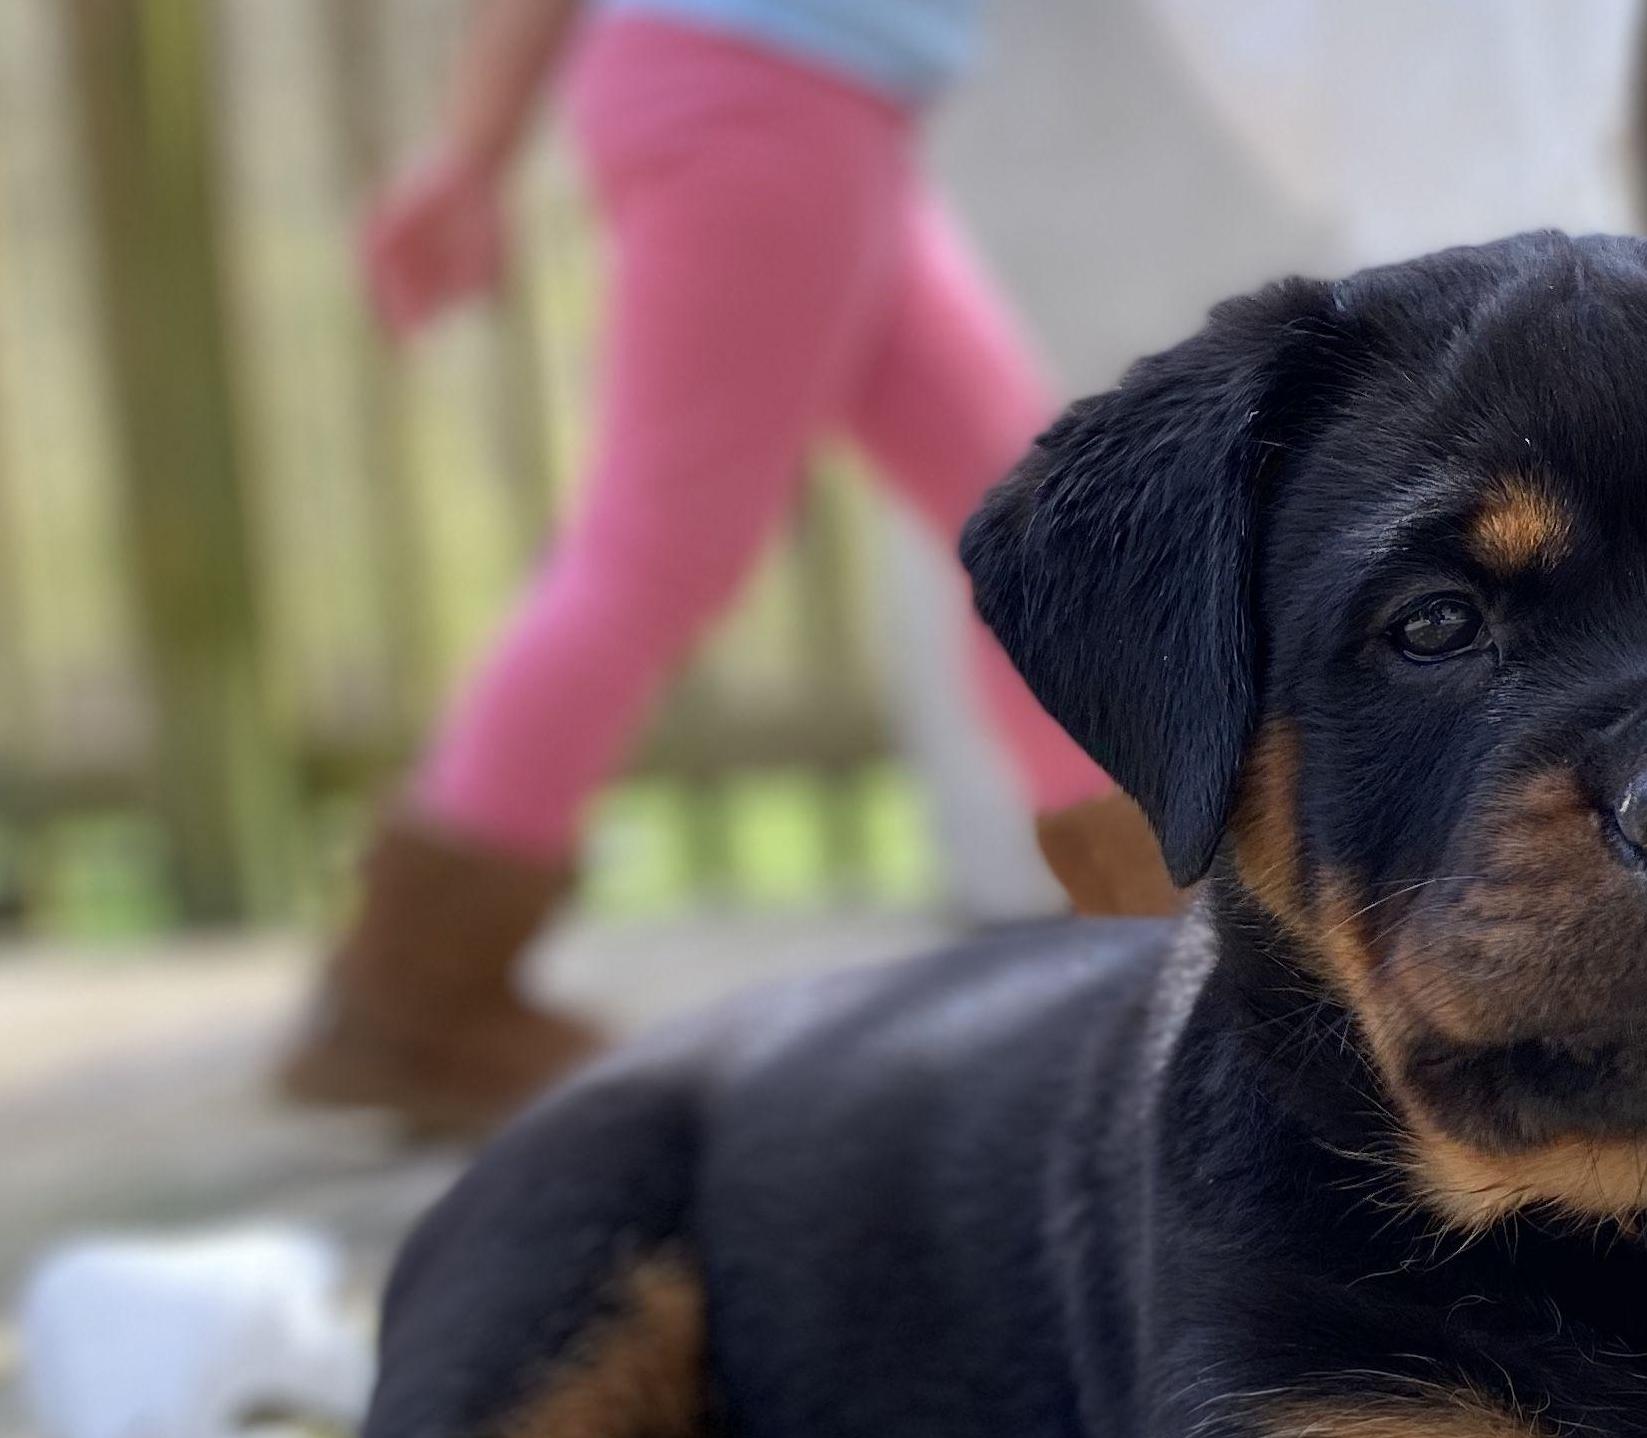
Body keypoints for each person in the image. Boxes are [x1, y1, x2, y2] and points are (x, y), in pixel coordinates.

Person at [281, 0, 1168, 1141]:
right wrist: (471, 152)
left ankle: (1156, 925)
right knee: (653, 556)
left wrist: (473, 153)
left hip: (823, 105)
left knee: (1031, 530)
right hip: (759, 91)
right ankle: (414, 996)